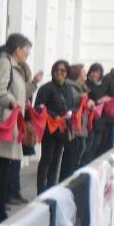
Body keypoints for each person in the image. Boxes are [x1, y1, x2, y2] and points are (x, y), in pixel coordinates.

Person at [0, 33, 32, 224]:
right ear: (18, 49)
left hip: (9, 124)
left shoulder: (14, 66)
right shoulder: (5, 64)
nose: (27, 54)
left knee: (1, 169)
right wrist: (14, 104)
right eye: (26, 50)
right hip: (2, 125)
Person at [35, 59, 71, 194]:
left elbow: (70, 104)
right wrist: (53, 115)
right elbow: (38, 107)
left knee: (56, 160)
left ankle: (51, 189)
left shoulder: (67, 88)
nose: (60, 73)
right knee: (46, 160)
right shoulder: (46, 88)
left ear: (67, 73)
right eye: (57, 70)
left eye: (63, 71)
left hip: (62, 130)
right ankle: (41, 191)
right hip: (49, 130)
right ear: (53, 71)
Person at [59, 63, 94, 181]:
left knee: (76, 157)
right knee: (70, 159)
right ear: (77, 74)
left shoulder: (80, 87)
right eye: (84, 72)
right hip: (74, 129)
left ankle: (69, 181)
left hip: (80, 128)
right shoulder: (71, 88)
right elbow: (71, 106)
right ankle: (66, 182)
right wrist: (82, 99)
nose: (86, 74)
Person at [81, 62, 105, 166]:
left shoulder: (102, 85)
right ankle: (84, 164)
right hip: (90, 118)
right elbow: (86, 99)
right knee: (88, 145)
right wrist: (99, 101)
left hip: (100, 118)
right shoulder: (86, 84)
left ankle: (92, 165)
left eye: (98, 72)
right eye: (94, 72)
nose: (95, 74)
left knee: (96, 144)